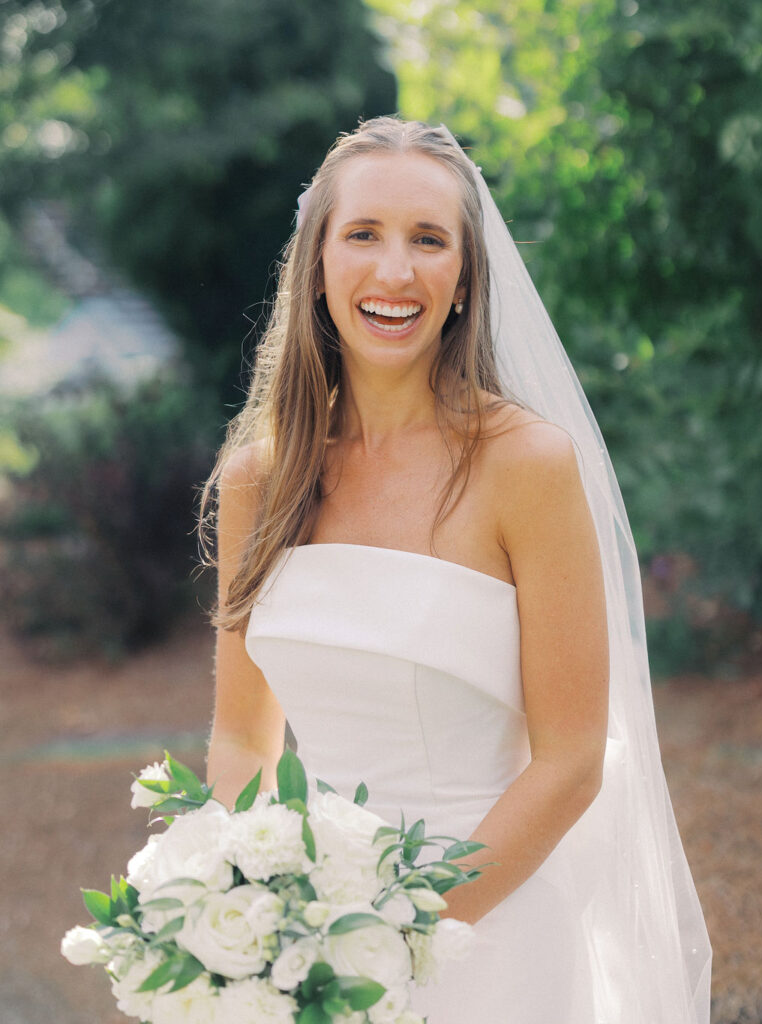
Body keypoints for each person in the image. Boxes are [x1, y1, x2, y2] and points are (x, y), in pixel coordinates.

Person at [199, 116, 711, 1023]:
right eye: (364, 235)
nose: (395, 273)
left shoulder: (528, 466)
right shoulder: (259, 478)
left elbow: (569, 763)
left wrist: (396, 940)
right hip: (311, 944)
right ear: (316, 262)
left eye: (428, 241)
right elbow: (243, 740)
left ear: (467, 275)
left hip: (491, 931)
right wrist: (274, 919)